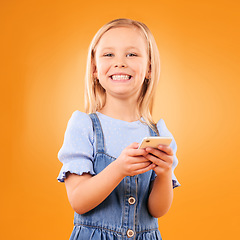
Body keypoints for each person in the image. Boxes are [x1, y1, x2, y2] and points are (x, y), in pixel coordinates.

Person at [57, 18, 180, 240]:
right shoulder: (84, 126)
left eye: (131, 54)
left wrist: (164, 174)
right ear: (95, 68)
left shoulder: (158, 133)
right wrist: (119, 168)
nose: (120, 62)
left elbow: (157, 210)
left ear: (149, 68)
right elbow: (79, 201)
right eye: (108, 54)